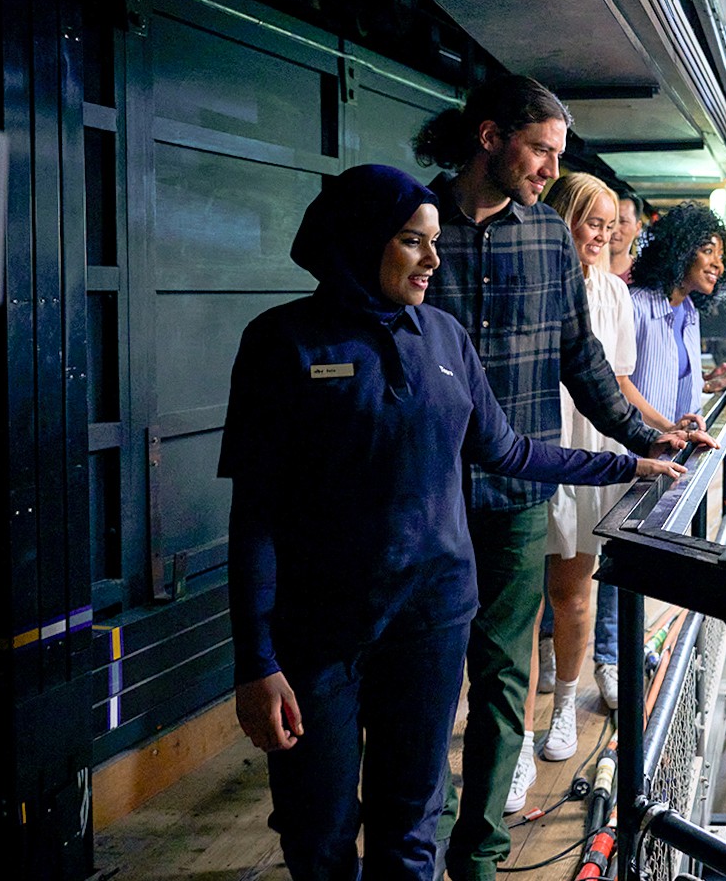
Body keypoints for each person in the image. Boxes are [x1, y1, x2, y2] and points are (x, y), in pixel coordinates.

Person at [218, 165, 684, 881]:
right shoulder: (281, 344)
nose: (434, 260)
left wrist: (629, 463)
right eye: (412, 241)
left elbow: (507, 449)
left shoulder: (443, 337)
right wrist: (256, 663)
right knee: (319, 831)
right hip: (319, 633)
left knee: (412, 825)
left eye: (435, 242)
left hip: (429, 621)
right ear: (359, 240)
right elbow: (254, 515)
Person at [410, 75, 712, 878]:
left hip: (513, 490)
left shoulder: (544, 237)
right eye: (539, 148)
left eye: (556, 153)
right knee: (422, 674)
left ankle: (476, 856)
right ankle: (418, 843)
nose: (549, 167)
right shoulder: (417, 223)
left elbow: (583, 362)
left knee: (505, 673)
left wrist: (647, 437)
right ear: (489, 137)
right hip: (421, 492)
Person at [533, 175, 698, 757]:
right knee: (515, 601)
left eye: (611, 225)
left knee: (574, 590)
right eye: (593, 223)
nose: (604, 235)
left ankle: (561, 716)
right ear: (562, 220)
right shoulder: (531, 280)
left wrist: (661, 433)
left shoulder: (612, 294)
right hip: (529, 444)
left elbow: (618, 383)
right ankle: (510, 734)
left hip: (589, 445)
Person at [627, 202, 726, 432]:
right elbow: (614, 385)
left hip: (672, 457)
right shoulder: (634, 306)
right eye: (708, 251)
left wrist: (704, 383)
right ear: (680, 251)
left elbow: (667, 378)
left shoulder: (689, 311)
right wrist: (667, 428)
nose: (718, 266)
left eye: (721, 256)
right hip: (635, 456)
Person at [607, 190, 643, 281]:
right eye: (610, 221)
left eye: (623, 221)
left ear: (638, 228)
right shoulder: (584, 271)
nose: (614, 229)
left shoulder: (642, 275)